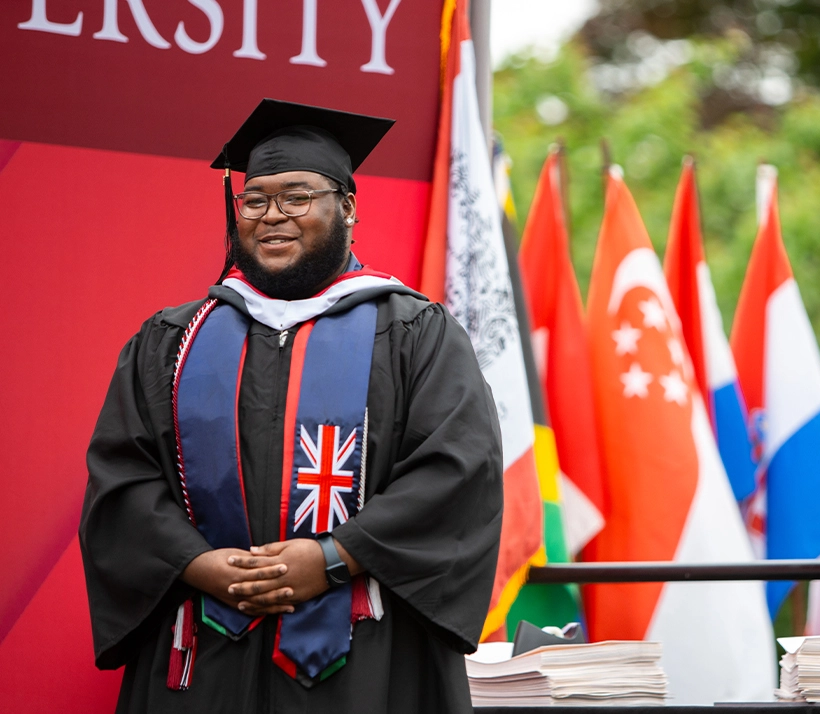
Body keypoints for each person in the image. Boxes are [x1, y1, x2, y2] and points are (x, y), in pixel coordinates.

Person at [79, 98, 504, 714]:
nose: (272, 215)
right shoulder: (172, 341)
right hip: (207, 646)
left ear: (348, 208)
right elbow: (123, 477)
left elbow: (459, 471)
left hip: (367, 655)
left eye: (298, 197)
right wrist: (198, 563)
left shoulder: (415, 333)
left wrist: (334, 557)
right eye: (255, 200)